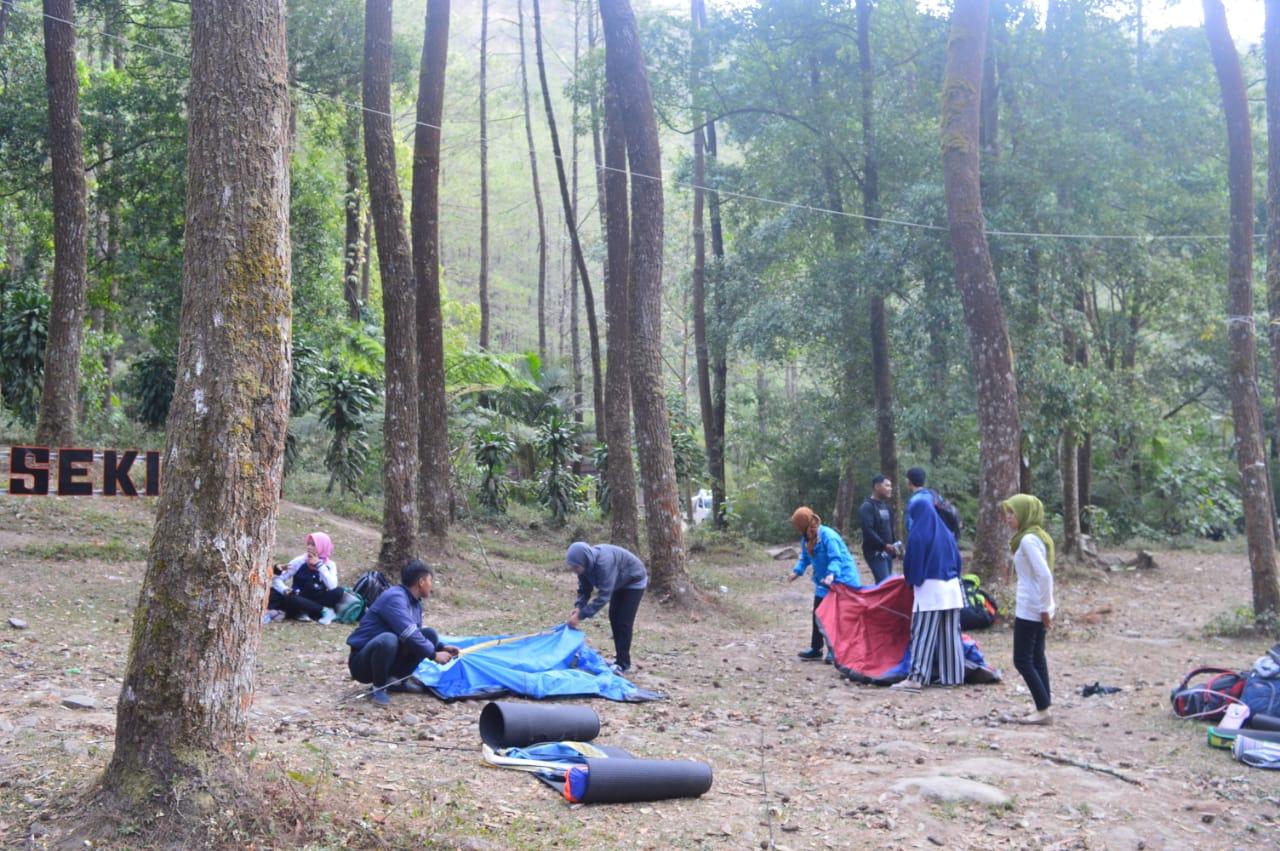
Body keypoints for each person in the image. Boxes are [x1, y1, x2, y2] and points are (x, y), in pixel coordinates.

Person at [346, 560, 458, 706]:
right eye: (430, 581)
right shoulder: (394, 598)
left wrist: (440, 647)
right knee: (388, 639)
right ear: (421, 582)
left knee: (429, 634)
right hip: (362, 663)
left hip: (387, 657)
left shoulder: (415, 602)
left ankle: (397, 681)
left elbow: (417, 634)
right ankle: (379, 687)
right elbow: (408, 633)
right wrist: (433, 654)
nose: (432, 586)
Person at [891, 476, 965, 692]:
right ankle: (953, 676)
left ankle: (916, 677)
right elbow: (958, 561)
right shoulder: (947, 532)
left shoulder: (919, 534)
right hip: (952, 587)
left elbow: (914, 561)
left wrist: (911, 581)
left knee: (923, 632)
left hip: (930, 588)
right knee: (949, 634)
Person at [1002, 494, 1056, 725]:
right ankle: (1044, 706)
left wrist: (1044, 608)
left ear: (1025, 514)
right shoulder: (1034, 537)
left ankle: (1043, 708)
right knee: (1036, 656)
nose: (1008, 517)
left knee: (1022, 659)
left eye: (1012, 513)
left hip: (1032, 606)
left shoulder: (1028, 540)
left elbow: (1044, 575)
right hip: (1036, 604)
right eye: (1007, 513)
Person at [788, 507, 861, 662]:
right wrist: (797, 572)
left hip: (842, 580)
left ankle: (834, 651)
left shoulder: (828, 536)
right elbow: (805, 558)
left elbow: (836, 558)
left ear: (802, 524)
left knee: (834, 616)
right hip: (824, 582)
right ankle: (816, 649)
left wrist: (831, 574)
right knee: (818, 613)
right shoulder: (806, 538)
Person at [565, 542, 648, 674]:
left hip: (634, 580)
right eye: (572, 567)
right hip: (618, 581)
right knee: (614, 617)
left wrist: (580, 616)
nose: (574, 570)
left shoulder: (604, 564)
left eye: (576, 567)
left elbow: (604, 596)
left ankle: (623, 663)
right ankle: (619, 660)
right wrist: (579, 607)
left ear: (584, 560)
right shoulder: (583, 566)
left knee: (623, 622)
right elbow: (584, 589)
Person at [268, 532, 342, 624]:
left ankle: (307, 611)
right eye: (308, 544)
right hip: (299, 598)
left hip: (318, 598)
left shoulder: (329, 565)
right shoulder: (300, 561)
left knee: (339, 591)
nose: (309, 547)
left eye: (313, 545)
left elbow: (332, 586)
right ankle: (323, 610)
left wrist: (319, 565)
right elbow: (278, 579)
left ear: (322, 546)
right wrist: (285, 589)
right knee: (288, 597)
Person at [858, 475, 899, 583]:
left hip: (887, 551)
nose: (890, 488)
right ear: (877, 486)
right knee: (885, 583)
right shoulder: (867, 506)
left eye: (890, 486)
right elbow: (868, 530)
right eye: (887, 485)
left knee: (886, 584)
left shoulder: (886, 506)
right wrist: (883, 545)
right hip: (875, 552)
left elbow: (890, 528)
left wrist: (893, 545)